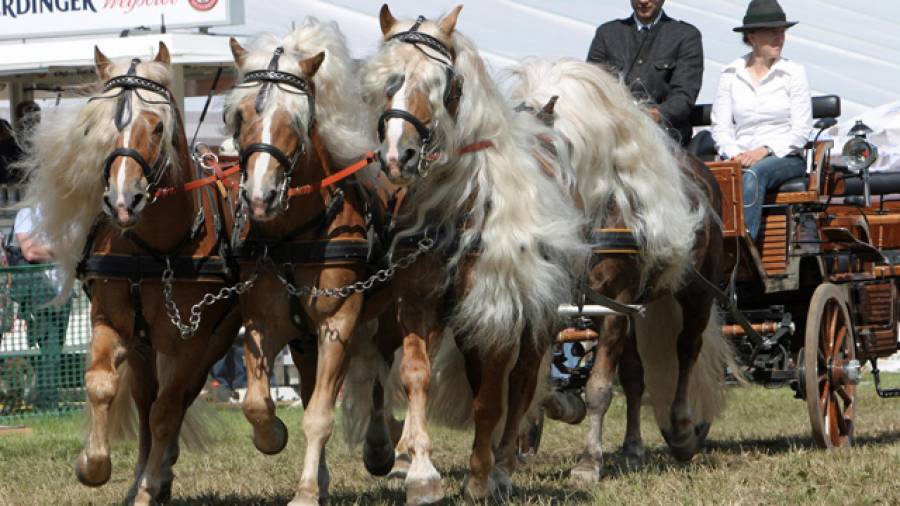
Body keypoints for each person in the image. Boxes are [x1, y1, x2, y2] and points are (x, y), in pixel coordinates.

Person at [711, 0, 811, 241]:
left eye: (781, 32)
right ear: (752, 37)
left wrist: (763, 151)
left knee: (755, 174)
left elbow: (801, 130)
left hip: (783, 157)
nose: (779, 38)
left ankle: (742, 250)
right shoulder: (731, 73)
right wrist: (735, 154)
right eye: (772, 32)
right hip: (739, 158)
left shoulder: (794, 73)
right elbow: (720, 127)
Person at [586, 0, 703, 146]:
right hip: (614, 134)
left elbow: (684, 94)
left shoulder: (685, 35)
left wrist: (659, 114)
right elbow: (592, 84)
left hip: (664, 137)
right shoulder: (607, 33)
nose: (643, 1)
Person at [10, 205, 72, 410]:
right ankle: (48, 405)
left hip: (64, 290)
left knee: (54, 349)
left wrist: (55, 250)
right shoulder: (27, 213)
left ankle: (42, 398)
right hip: (40, 293)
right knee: (50, 348)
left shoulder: (67, 212)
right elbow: (30, 252)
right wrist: (63, 251)